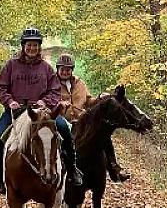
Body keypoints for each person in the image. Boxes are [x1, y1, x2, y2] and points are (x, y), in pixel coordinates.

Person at [0, 27, 84, 195]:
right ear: (23, 46)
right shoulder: (11, 65)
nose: (31, 48)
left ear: (39, 47)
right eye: (28, 45)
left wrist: (44, 102)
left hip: (42, 113)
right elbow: (2, 88)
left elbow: (54, 91)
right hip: (17, 112)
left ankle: (73, 170)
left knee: (64, 130)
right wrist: (10, 101)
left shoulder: (46, 68)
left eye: (35, 45)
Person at [55, 53, 130, 183]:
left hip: (81, 122)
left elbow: (89, 101)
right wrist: (59, 105)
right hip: (62, 121)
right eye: (62, 69)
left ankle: (113, 166)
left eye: (68, 69)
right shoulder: (51, 84)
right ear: (57, 69)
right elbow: (48, 101)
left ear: (72, 70)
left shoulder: (80, 83)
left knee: (103, 133)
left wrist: (100, 98)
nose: (65, 72)